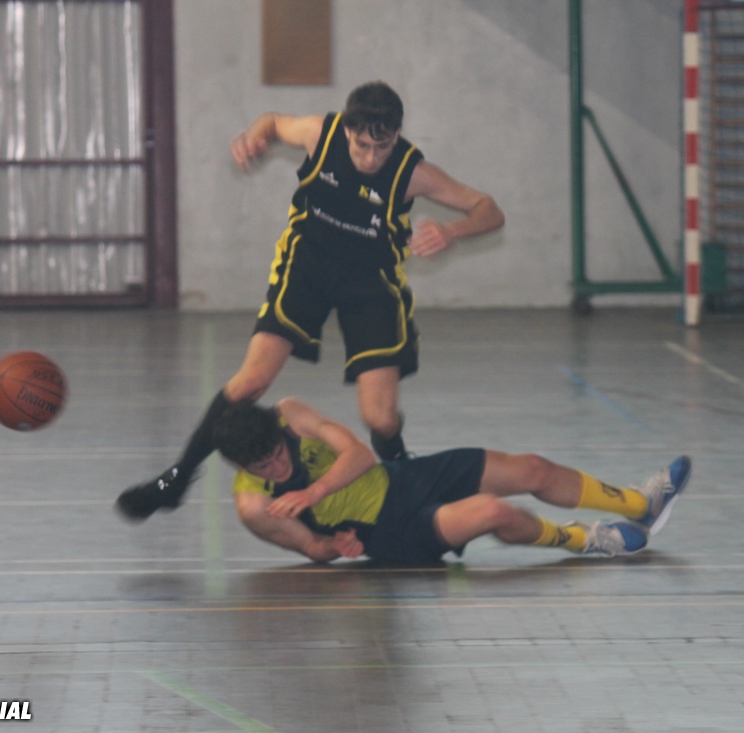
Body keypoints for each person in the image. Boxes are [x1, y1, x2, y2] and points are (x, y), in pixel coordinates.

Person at [117, 81, 504, 520]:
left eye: (382, 147)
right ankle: (175, 480)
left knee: (380, 418)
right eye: (362, 146)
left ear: (397, 134)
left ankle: (402, 475)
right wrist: (255, 134)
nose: (371, 158)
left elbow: (488, 208)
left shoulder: (412, 172)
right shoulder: (320, 134)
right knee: (249, 383)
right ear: (348, 131)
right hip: (308, 268)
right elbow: (272, 121)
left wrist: (452, 231)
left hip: (370, 282)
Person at [132, 396, 692, 564]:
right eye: (264, 468)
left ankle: (640, 503)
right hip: (393, 530)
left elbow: (359, 454)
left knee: (531, 469)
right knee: (494, 511)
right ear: (241, 468)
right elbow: (313, 550)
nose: (278, 468)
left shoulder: (291, 415)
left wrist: (314, 490)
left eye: (279, 454)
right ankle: (587, 540)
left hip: (402, 477)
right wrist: (334, 544)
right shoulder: (253, 507)